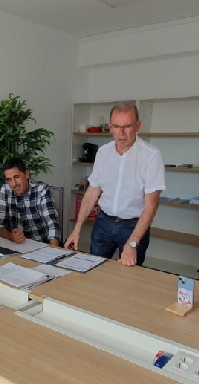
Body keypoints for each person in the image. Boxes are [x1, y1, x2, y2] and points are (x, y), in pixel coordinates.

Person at [64, 103, 165, 266]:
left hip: (133, 226)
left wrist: (132, 243)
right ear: (110, 127)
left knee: (129, 280)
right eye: (116, 127)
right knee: (94, 271)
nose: (121, 133)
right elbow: (91, 193)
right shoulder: (103, 153)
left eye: (127, 126)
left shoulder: (151, 156)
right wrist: (77, 229)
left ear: (138, 126)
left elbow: (151, 207)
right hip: (103, 222)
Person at [0, 158, 61, 247]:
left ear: (27, 174)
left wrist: (53, 251)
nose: (14, 184)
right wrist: (11, 236)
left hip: (41, 246)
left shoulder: (42, 190)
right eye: (9, 179)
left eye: (16, 177)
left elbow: (53, 224)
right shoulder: (5, 190)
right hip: (17, 247)